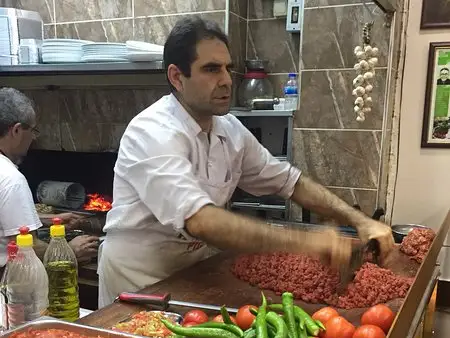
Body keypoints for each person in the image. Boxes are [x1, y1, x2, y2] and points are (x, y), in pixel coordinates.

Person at [98, 17, 394, 307]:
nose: (226, 80)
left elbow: (290, 182)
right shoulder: (151, 131)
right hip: (138, 279)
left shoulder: (229, 129)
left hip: (191, 273)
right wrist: (306, 243)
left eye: (228, 68)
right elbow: (201, 221)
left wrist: (360, 221)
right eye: (211, 69)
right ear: (177, 77)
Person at [0, 87, 99, 269]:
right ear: (16, 131)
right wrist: (69, 251)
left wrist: (47, 219)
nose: (33, 139)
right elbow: (26, 247)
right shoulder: (11, 179)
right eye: (33, 130)